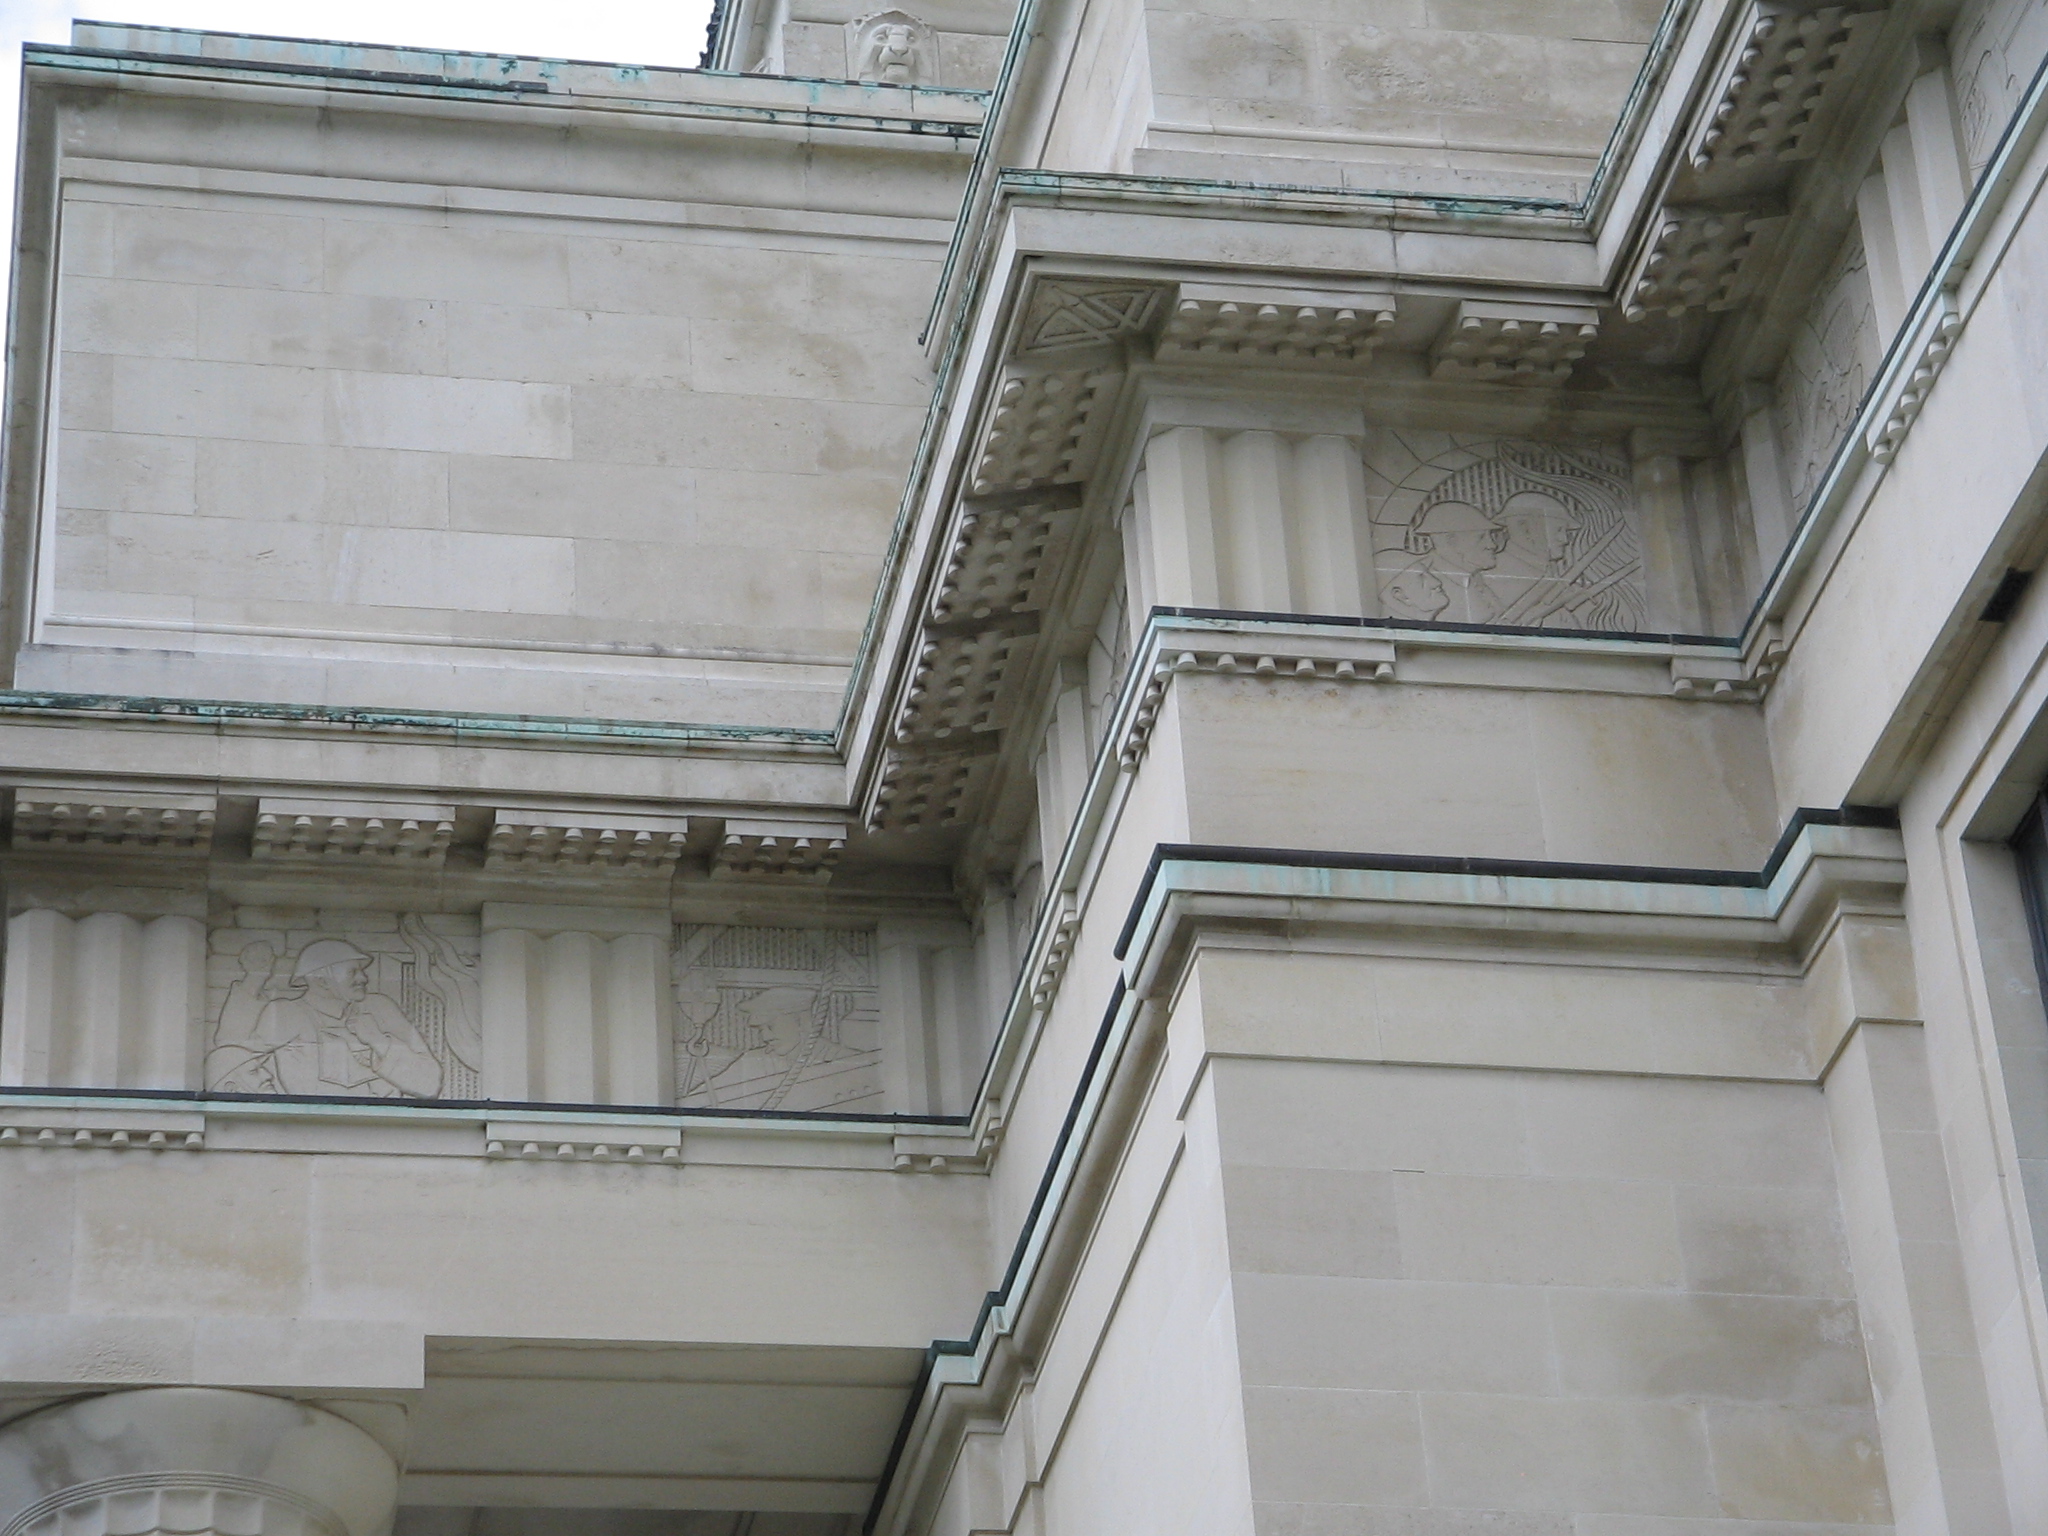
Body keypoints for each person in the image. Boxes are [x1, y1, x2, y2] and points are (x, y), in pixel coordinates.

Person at [237, 940, 443, 1098]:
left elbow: (430, 1084)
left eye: (361, 971)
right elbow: (235, 1062)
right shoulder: (286, 1013)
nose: (364, 978)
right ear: (321, 980)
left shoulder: (380, 1008)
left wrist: (380, 1042)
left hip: (388, 1134)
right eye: (353, 972)